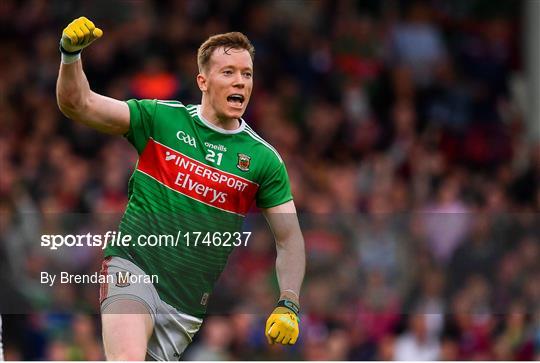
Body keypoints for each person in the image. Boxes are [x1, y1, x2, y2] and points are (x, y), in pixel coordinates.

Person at [56, 17, 305, 360]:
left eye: (247, 74)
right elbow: (78, 104)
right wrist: (71, 56)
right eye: (228, 72)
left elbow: (289, 238)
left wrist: (288, 302)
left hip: (185, 307)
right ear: (203, 81)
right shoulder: (162, 119)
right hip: (133, 268)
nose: (241, 82)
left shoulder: (263, 159)